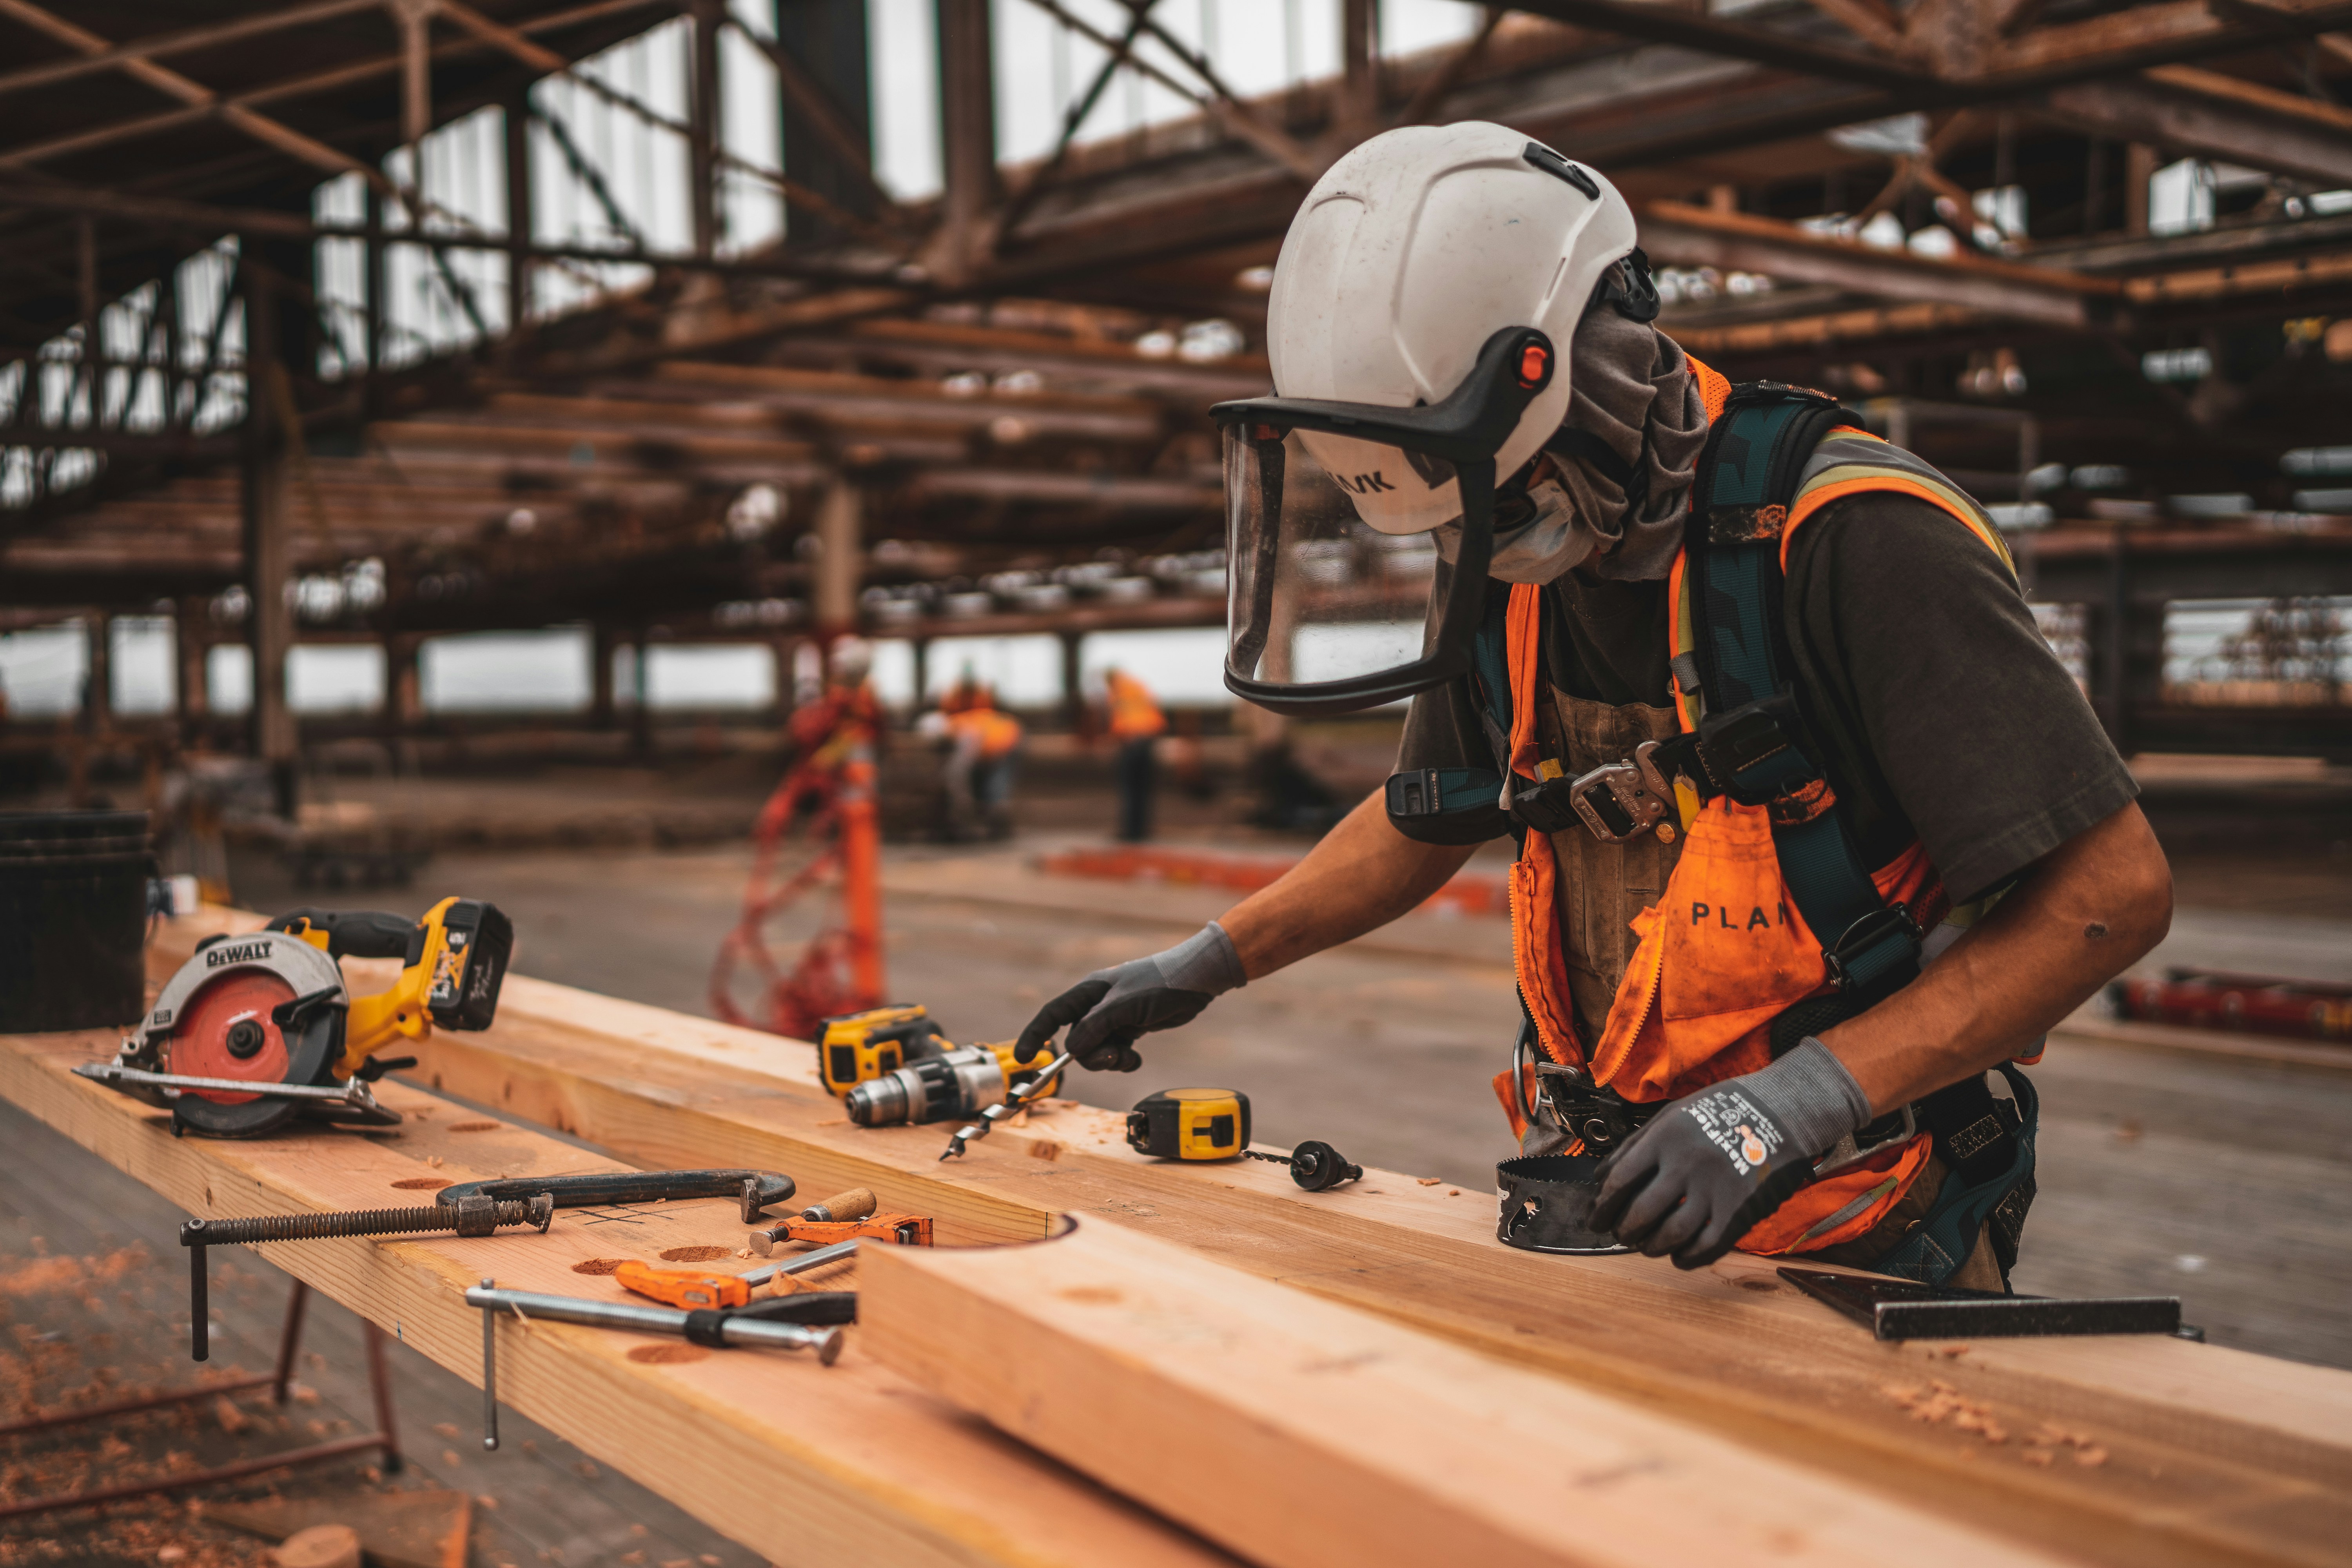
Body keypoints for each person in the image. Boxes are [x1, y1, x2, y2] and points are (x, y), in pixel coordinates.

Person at [1016, 122, 2171, 1288]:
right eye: (1464, 515)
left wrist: (1794, 1102)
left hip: (1859, 1213)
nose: (1487, 540)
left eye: (1506, 497)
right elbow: (1431, 812)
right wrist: (1208, 958)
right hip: (1602, 1192)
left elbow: (2109, 894)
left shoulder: (1850, 537)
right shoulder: (1500, 554)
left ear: (1591, 376)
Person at [924, 673, 1023, 841]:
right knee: (994, 787)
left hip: (997, 744)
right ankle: (993, 817)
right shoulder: (994, 721)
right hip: (1007, 742)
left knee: (980, 784)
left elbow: (957, 772)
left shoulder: (962, 722)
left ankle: (973, 820)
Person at [1101, 665, 1167, 842]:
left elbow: (1121, 717)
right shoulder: (1137, 686)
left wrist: (1116, 738)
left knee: (1130, 787)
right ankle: (1141, 830)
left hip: (1132, 741)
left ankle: (1131, 831)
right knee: (1143, 788)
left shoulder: (1119, 691)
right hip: (1148, 738)